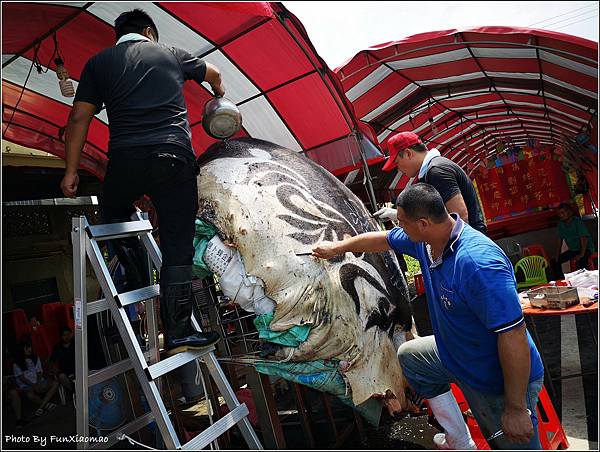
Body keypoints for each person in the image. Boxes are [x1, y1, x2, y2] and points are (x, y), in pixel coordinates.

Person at [312, 183, 544, 450]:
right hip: (457, 356)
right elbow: (381, 240)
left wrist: (515, 408)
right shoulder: (427, 241)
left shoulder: (477, 263)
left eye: (401, 222)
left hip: (495, 377)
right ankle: (459, 440)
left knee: (513, 443)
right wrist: (338, 248)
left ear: (422, 223)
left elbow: (512, 335)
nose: (397, 228)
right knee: (412, 357)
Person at [60, 9, 222, 354]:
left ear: (120, 35)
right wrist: (218, 92)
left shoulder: (98, 63)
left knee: (114, 211)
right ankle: (178, 332)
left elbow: (78, 118)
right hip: (174, 160)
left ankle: (135, 274)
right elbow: (215, 73)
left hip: (126, 161)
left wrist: (71, 171)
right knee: (178, 242)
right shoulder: (172, 54)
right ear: (149, 32)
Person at [373, 132, 487, 235]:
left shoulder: (436, 171)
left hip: (469, 245)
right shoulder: (430, 172)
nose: (398, 169)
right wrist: (397, 214)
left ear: (408, 153)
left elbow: (460, 216)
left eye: (397, 163)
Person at [13, 340, 60, 417]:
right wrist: (33, 385)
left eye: (30, 347)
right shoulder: (17, 363)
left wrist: (38, 383)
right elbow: (22, 378)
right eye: (26, 348)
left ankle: (41, 407)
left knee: (55, 383)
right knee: (30, 395)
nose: (29, 349)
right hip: (26, 385)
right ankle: (46, 405)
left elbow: (39, 371)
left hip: (38, 381)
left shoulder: (35, 358)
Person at [552, 202, 595, 278]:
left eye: (563, 212)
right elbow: (559, 241)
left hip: (586, 248)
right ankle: (561, 281)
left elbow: (583, 238)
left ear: (570, 212)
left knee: (582, 262)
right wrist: (557, 255)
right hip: (574, 250)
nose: (561, 215)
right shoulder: (560, 225)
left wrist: (581, 253)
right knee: (555, 261)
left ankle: (583, 281)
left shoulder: (577, 222)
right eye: (559, 213)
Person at [49, 326, 75, 393]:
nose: (67, 337)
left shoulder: (76, 343)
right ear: (61, 336)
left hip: (78, 369)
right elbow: (52, 361)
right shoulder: (57, 347)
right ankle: (75, 392)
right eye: (64, 335)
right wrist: (54, 369)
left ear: (71, 334)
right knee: (61, 376)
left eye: (68, 334)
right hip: (65, 372)